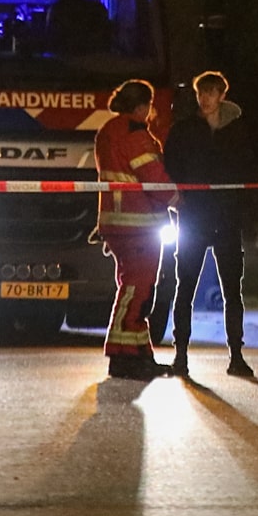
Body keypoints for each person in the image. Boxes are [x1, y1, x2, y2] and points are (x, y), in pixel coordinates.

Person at [161, 70, 257, 379]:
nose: (204, 99)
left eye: (211, 93)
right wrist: (179, 199)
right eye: (201, 93)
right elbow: (171, 165)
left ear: (221, 95)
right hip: (194, 217)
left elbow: (248, 170)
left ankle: (236, 355)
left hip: (227, 219)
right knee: (185, 286)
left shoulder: (238, 131)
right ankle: (181, 355)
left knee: (232, 290)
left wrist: (241, 209)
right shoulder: (185, 130)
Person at [93, 79, 174, 380]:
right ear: (142, 107)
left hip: (116, 223)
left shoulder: (108, 131)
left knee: (137, 288)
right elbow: (153, 176)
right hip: (138, 223)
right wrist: (179, 197)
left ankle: (140, 353)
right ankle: (121, 355)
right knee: (137, 289)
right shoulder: (135, 135)